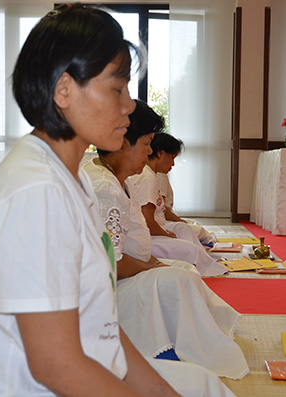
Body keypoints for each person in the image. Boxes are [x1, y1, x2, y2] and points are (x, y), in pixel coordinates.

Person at [0, 5, 234, 396]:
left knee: (203, 384)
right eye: (117, 89)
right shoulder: (35, 191)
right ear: (64, 90)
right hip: (22, 387)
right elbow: (56, 367)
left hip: (81, 367)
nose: (129, 104)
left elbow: (103, 326)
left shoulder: (72, 175)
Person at [84, 99, 249, 379]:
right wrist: (152, 268)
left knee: (184, 269)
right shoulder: (104, 187)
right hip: (107, 293)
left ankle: (188, 339)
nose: (149, 152)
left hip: (125, 274)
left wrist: (154, 262)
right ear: (123, 143)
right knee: (177, 277)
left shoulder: (119, 179)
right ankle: (172, 346)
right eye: (146, 144)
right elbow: (108, 264)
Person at [128, 132, 225, 277]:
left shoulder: (151, 175)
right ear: (160, 153)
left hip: (156, 230)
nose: (173, 164)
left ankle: (204, 259)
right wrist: (166, 234)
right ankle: (200, 261)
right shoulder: (147, 177)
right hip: (148, 237)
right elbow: (148, 221)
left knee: (183, 228)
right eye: (172, 158)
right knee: (191, 250)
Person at [157, 172, 216, 245]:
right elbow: (162, 209)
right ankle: (212, 244)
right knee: (201, 231)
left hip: (164, 219)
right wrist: (179, 221)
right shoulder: (158, 176)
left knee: (195, 224)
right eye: (171, 159)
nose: (173, 164)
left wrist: (180, 221)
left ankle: (210, 242)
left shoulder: (159, 175)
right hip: (161, 221)